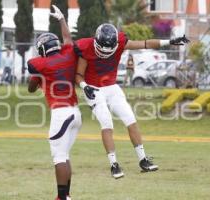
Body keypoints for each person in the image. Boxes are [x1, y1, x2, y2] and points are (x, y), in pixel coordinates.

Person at [75, 23, 189, 178]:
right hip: (94, 89)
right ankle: (114, 165)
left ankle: (143, 160)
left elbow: (145, 43)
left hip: (111, 86)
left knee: (130, 119)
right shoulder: (86, 47)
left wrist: (169, 41)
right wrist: (84, 86)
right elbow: (78, 74)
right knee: (107, 123)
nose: (105, 52)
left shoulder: (121, 41)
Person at [27, 5, 80, 200]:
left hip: (61, 113)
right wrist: (62, 20)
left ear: (42, 49)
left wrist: (38, 77)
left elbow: (31, 85)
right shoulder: (67, 54)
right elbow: (68, 39)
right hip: (75, 113)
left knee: (59, 157)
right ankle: (66, 196)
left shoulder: (40, 64)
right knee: (64, 155)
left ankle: (62, 197)